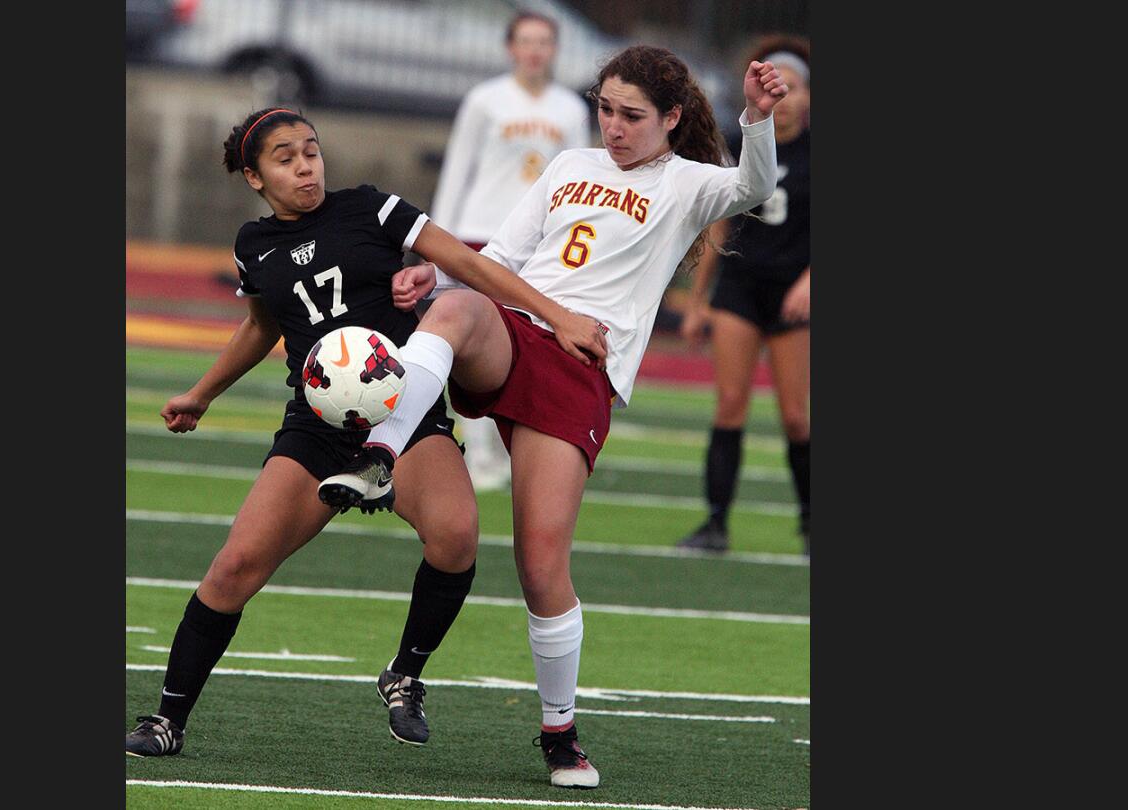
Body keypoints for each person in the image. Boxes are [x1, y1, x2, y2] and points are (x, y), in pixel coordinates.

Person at [316, 46, 788, 788]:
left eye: (632, 115)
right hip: (517, 333)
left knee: (541, 568)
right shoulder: (570, 165)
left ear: (671, 117)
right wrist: (431, 271)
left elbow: (755, 186)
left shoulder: (690, 183)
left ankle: (559, 735)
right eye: (605, 108)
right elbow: (501, 255)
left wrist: (758, 119)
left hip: (583, 367)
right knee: (459, 305)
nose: (614, 126)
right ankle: (380, 453)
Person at [126, 107, 486, 756]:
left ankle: (404, 674)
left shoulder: (370, 209)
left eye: (311, 151)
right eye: (285, 157)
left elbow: (459, 259)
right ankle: (166, 719)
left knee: (457, 535)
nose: (304, 166)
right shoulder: (252, 245)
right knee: (235, 565)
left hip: (402, 416)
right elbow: (264, 325)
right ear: (254, 177)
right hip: (317, 426)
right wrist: (202, 395)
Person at [430, 11, 591, 491]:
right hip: (479, 237)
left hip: (540, 243)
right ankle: (477, 452)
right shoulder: (485, 100)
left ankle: (510, 450)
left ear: (555, 48)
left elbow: (581, 178)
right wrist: (438, 242)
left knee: (527, 347)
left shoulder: (572, 109)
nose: (535, 50)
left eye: (544, 41)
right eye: (526, 40)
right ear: (511, 47)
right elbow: (458, 168)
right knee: (475, 348)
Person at [675, 36, 810, 556]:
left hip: (793, 294)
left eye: (795, 87)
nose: (787, 96)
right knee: (730, 403)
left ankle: (809, 521)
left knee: (796, 415)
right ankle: (714, 524)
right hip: (742, 287)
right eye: (781, 86)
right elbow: (723, 223)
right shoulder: (746, 139)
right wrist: (699, 298)